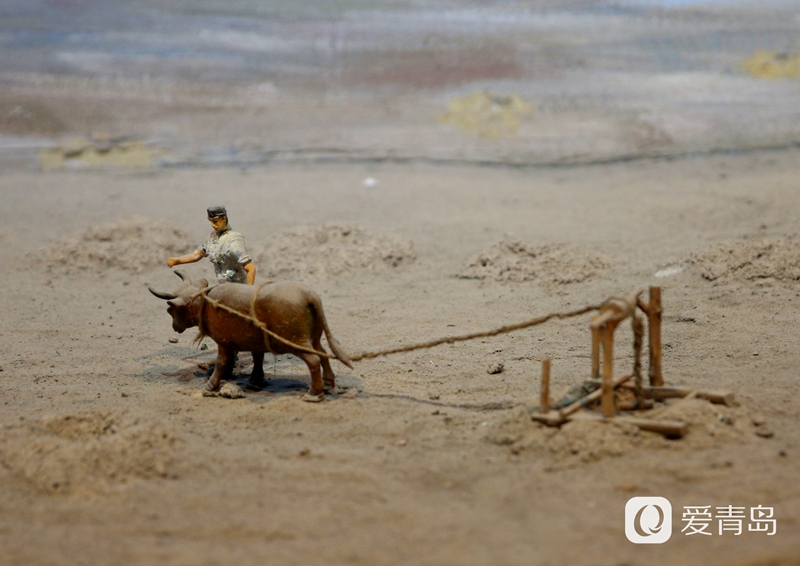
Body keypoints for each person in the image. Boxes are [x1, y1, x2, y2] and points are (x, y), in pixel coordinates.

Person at [167, 206, 256, 285]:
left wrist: (247, 293)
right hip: (223, 286)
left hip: (238, 287)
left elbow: (251, 268)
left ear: (223, 219)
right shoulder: (212, 237)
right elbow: (197, 255)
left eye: (215, 221)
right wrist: (177, 260)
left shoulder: (234, 240)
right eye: (211, 221)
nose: (212, 225)